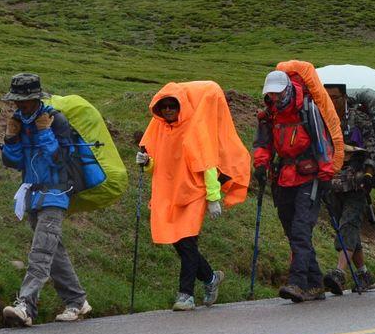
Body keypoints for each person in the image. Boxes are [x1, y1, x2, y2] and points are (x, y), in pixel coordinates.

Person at [137, 82, 250, 311]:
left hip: (193, 194)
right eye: (163, 106)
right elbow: (155, 166)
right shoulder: (158, 130)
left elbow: (207, 164)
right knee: (177, 242)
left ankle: (185, 294)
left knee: (187, 243)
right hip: (167, 194)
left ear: (181, 106)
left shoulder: (194, 128)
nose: (168, 110)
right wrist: (147, 162)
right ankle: (210, 278)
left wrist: (213, 197)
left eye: (172, 105)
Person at [0, 73, 91, 327]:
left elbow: (59, 159)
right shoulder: (18, 121)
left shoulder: (56, 120)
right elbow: (12, 161)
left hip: (57, 193)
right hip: (32, 195)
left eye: (26, 100)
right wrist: (10, 138)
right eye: (18, 101)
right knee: (54, 250)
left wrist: (43, 132)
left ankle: (26, 306)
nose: (21, 105)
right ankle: (77, 301)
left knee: (40, 251)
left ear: (36, 98)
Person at [252, 69, 337, 303]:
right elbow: (262, 143)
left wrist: (327, 174)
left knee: (301, 230)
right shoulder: (269, 115)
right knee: (292, 232)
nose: (275, 99)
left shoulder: (308, 110)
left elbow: (322, 142)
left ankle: (298, 282)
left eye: (278, 94)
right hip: (283, 178)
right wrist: (261, 164)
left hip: (310, 178)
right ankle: (315, 282)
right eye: (271, 95)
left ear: (288, 90)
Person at [322, 83, 375, 295]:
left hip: (356, 181)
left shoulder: (360, 119)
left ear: (344, 97)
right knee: (345, 228)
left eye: (335, 97)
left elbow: (372, 149)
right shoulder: (323, 119)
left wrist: (369, 173)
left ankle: (339, 272)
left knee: (348, 223)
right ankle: (364, 274)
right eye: (327, 97)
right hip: (332, 182)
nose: (332, 101)